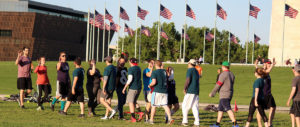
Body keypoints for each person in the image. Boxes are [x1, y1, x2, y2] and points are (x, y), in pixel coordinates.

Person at [209, 61, 238, 127]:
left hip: (224, 94)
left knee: (228, 108)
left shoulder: (223, 74)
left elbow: (218, 84)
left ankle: (235, 124)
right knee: (220, 109)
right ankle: (217, 124)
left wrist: (212, 93)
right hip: (230, 93)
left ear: (223, 66)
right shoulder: (232, 74)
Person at [148, 60, 174, 125]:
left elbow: (154, 82)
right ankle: (170, 118)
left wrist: (150, 85)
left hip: (157, 91)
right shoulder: (164, 71)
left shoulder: (154, 72)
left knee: (153, 106)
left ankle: (151, 120)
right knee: (165, 105)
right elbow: (168, 76)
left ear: (155, 65)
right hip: (165, 91)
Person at [255, 58, 276, 127]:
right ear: (265, 64)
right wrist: (272, 65)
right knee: (260, 110)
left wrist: (256, 64)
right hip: (263, 94)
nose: (269, 65)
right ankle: (260, 124)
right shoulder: (264, 72)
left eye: (270, 63)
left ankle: (270, 123)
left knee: (273, 107)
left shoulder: (266, 71)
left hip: (268, 94)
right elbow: (266, 71)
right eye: (268, 63)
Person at [122, 58, 143, 122]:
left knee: (130, 102)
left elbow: (130, 79)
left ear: (130, 62)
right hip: (139, 87)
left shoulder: (131, 69)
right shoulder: (138, 68)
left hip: (133, 88)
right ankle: (140, 112)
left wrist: (125, 87)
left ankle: (133, 117)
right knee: (134, 101)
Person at [181, 59, 200, 126]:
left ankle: (185, 121)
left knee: (184, 105)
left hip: (190, 91)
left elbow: (188, 80)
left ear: (189, 63)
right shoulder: (196, 71)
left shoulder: (190, 70)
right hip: (196, 91)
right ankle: (197, 122)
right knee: (194, 107)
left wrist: (185, 88)